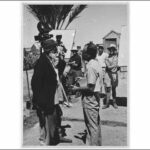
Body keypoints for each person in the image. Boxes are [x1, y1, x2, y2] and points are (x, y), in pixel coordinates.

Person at [72, 42, 102, 145]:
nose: (82, 53)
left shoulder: (90, 67)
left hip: (90, 98)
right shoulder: (95, 63)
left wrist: (77, 88)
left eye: (84, 52)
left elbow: (90, 87)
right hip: (95, 97)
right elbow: (92, 80)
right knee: (94, 124)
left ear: (88, 54)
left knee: (91, 126)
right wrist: (83, 79)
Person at [102, 44, 119, 109]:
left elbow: (114, 65)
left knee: (114, 89)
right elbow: (109, 67)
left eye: (113, 49)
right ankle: (107, 103)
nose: (111, 50)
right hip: (108, 74)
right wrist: (114, 65)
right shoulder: (107, 57)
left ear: (114, 50)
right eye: (110, 49)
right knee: (108, 89)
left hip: (114, 74)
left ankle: (114, 102)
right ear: (109, 50)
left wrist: (114, 65)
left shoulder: (116, 57)